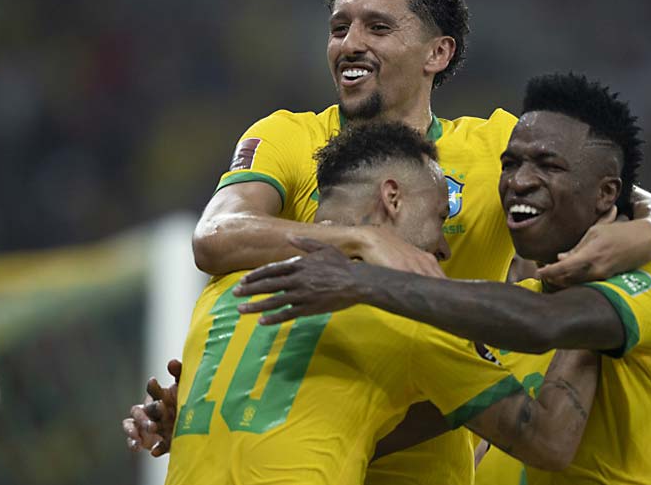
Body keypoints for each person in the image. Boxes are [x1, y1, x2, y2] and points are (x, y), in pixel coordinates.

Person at [125, 0, 651, 484]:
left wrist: (648, 233)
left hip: (421, 457)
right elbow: (217, 236)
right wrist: (363, 247)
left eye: (378, 27)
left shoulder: (495, 147)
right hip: (323, 436)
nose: (350, 42)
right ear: (391, 200)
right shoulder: (287, 136)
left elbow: (628, 201)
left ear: (437, 53)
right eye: (338, 27)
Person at [236, 73, 651, 484]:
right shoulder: (505, 321)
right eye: (510, 164)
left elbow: (543, 323)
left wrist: (362, 280)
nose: (517, 182)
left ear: (606, 192)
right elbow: (375, 433)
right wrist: (231, 417)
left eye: (548, 165)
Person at [165, 120, 601, 484]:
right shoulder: (399, 317)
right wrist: (592, 307)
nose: (444, 249)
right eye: (439, 219)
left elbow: (309, 419)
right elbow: (547, 440)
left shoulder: (222, 295)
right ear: (392, 198)